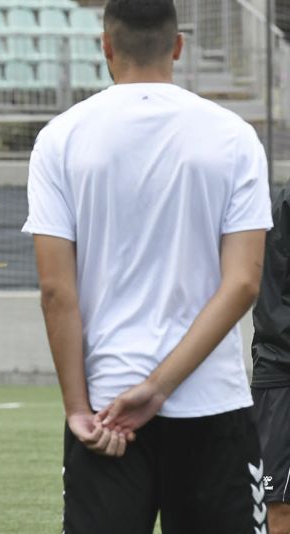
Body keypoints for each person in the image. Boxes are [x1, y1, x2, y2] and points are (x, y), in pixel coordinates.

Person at [22, 1, 272, 532]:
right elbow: (244, 282)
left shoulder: (60, 138)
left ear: (106, 46)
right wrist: (160, 388)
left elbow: (55, 291)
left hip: (106, 414)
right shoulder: (234, 136)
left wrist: (76, 409)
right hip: (213, 403)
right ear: (178, 45)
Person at [252, 182, 290, 534]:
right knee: (278, 501)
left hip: (276, 372)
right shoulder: (278, 207)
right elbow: (269, 306)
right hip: (281, 375)